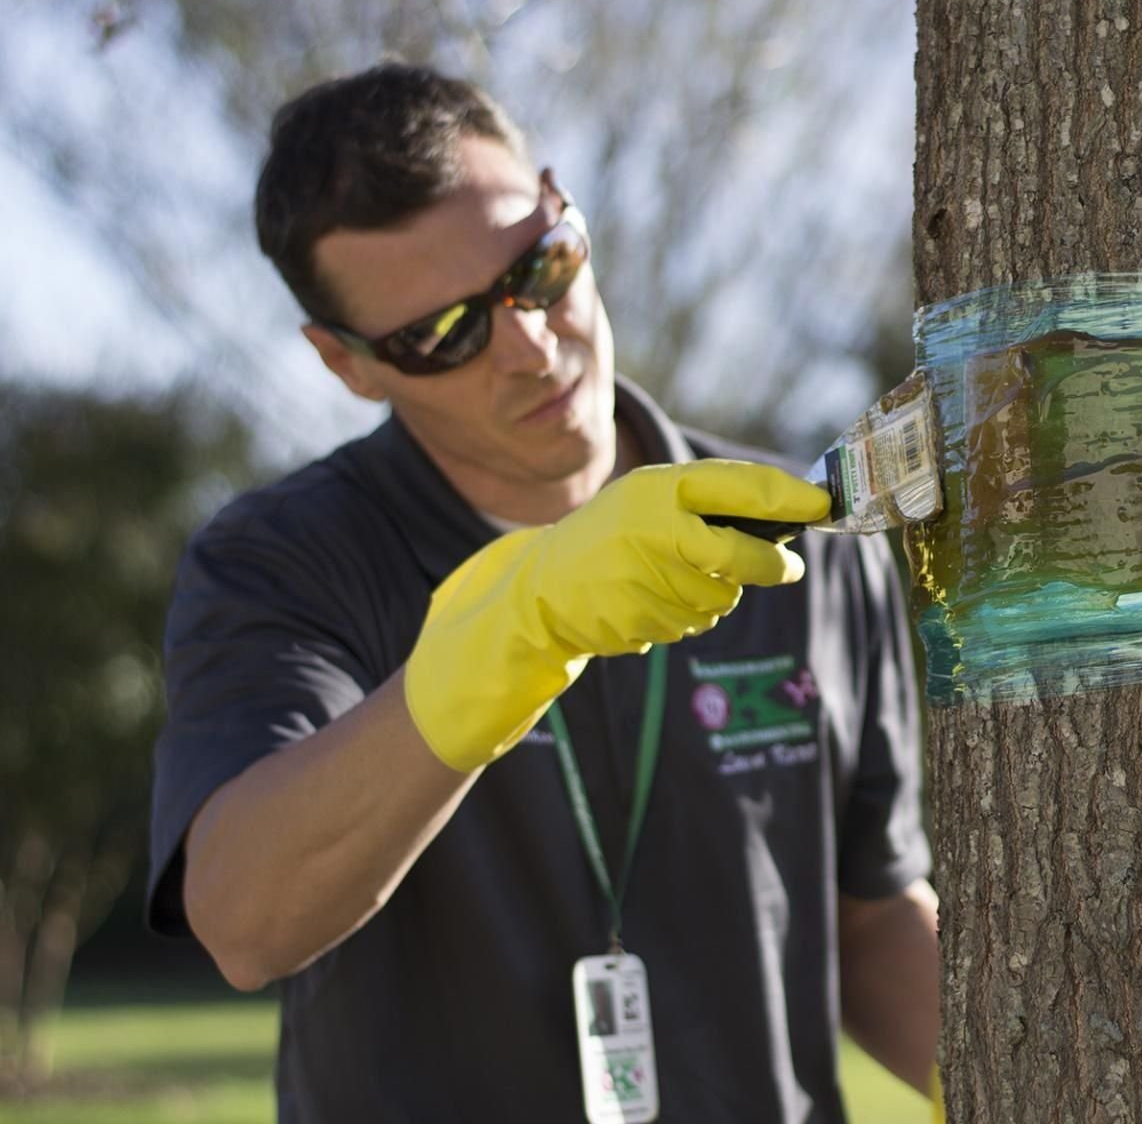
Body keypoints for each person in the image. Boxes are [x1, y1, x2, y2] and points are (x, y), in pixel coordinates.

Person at [145, 64, 939, 1122]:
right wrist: (511, 633)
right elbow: (245, 917)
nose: (528, 343)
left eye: (539, 267)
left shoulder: (803, 528)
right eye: (442, 335)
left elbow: (873, 922)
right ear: (346, 365)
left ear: (565, 207)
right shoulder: (282, 560)